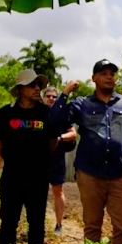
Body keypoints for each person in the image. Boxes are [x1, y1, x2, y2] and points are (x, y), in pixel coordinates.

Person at [50, 59, 122, 244]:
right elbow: (54, 121)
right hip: (90, 174)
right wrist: (65, 93)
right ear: (93, 78)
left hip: (120, 174)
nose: (109, 77)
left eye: (112, 73)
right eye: (104, 73)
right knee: (92, 226)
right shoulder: (82, 104)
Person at [0, 69, 56, 244]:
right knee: (9, 224)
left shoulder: (46, 113)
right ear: (20, 89)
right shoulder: (5, 114)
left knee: (36, 224)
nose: (37, 88)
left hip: (38, 177)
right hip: (12, 177)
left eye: (38, 84)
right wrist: (14, 159)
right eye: (32, 85)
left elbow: (52, 142)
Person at [42, 86, 77, 236]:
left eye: (54, 97)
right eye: (48, 96)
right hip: (39, 159)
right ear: (43, 98)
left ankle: (59, 224)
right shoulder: (38, 113)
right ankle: (38, 223)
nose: (51, 98)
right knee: (38, 193)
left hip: (57, 158)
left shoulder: (62, 115)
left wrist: (59, 138)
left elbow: (73, 134)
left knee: (58, 191)